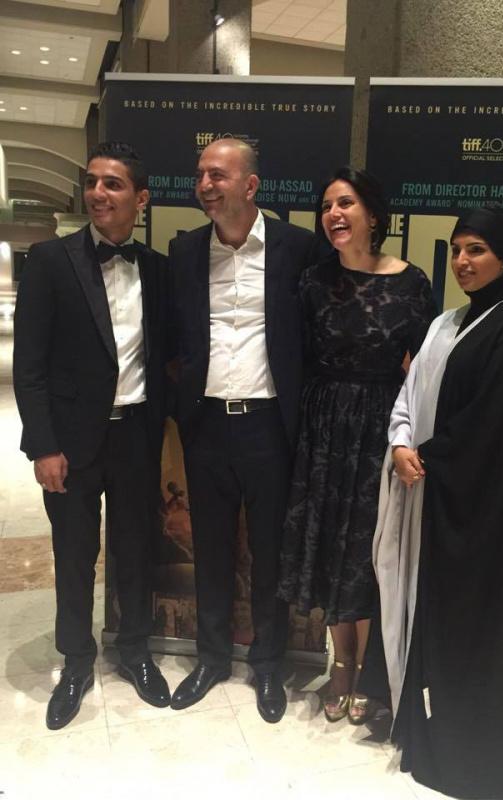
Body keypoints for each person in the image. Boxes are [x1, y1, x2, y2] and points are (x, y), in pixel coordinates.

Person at [372, 206, 503, 798]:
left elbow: (489, 427)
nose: (461, 261)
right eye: (455, 249)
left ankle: (470, 746)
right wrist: (401, 442)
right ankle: (427, 726)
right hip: (430, 492)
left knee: (470, 625)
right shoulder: (446, 323)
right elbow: (410, 392)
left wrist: (426, 455)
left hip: (476, 515)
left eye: (476, 250)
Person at [13, 142, 171, 730]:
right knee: (74, 554)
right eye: (93, 182)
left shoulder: (156, 268)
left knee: (136, 549)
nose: (98, 193)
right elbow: (29, 365)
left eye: (113, 184)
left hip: (136, 435)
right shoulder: (50, 260)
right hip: (71, 442)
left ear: (141, 198)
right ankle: (76, 662)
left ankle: (135, 650)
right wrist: (43, 446)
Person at [168, 138, 321, 723]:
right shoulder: (185, 250)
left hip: (269, 428)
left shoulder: (296, 248)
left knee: (270, 553)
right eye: (200, 175)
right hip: (206, 424)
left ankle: (268, 664)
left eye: (218, 175)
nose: (205, 185)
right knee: (210, 548)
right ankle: (211, 657)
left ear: (250, 185)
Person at [277, 167, 436, 724]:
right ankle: (341, 662)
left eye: (345, 203)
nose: (333, 215)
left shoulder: (413, 283)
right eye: (326, 206)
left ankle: (369, 668)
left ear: (373, 214)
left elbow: (426, 372)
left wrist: (410, 437)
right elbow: (293, 356)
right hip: (323, 427)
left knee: (369, 549)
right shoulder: (312, 281)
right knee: (330, 546)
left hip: (380, 429)